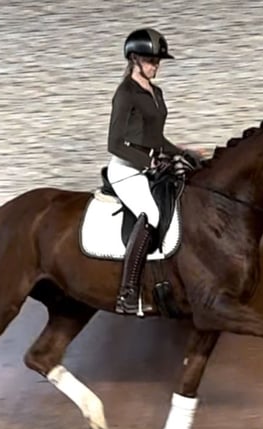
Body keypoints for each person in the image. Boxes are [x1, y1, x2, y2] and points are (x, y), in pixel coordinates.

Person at [106, 28, 200, 315]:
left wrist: (184, 154)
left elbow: (156, 138)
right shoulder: (125, 93)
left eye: (158, 60)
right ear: (134, 58)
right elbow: (114, 143)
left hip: (151, 167)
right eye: (150, 60)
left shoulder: (155, 92)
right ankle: (127, 293)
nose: (155, 65)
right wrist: (150, 163)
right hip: (126, 169)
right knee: (153, 214)